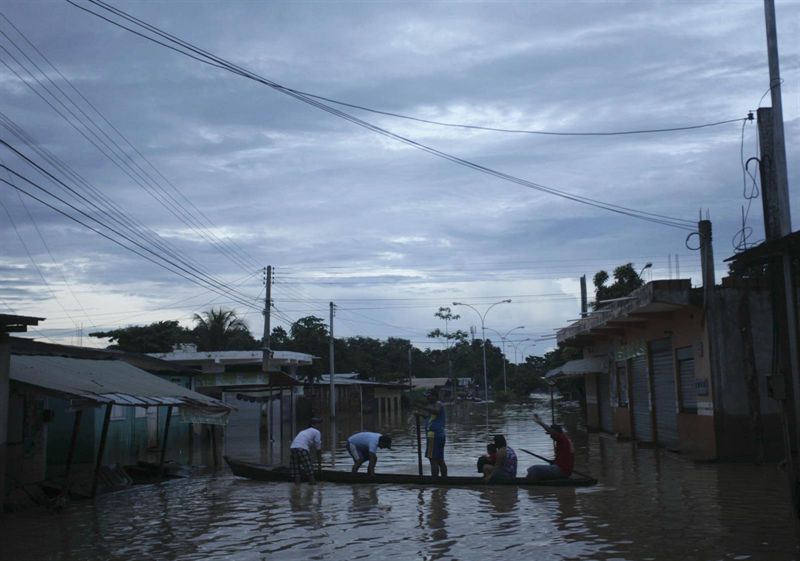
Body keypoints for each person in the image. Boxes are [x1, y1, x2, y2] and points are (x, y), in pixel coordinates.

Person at [527, 413, 574, 480]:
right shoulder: (565, 440)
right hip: (564, 470)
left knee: (534, 469)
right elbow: (563, 459)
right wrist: (554, 461)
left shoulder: (562, 439)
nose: (550, 436)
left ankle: (531, 485)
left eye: (551, 434)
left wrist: (540, 422)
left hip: (562, 471)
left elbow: (553, 432)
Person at [416, 389, 448, 477]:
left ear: (435, 396)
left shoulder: (438, 404)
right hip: (438, 435)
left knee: (433, 459)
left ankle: (434, 481)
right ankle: (444, 480)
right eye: (427, 396)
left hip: (434, 435)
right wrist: (420, 415)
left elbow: (436, 411)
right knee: (439, 459)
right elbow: (430, 417)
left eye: (429, 396)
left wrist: (422, 407)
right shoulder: (433, 406)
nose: (427, 398)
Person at [289, 416, 323, 484]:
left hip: (293, 448)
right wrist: (319, 464)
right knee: (310, 472)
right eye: (317, 424)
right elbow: (318, 448)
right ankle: (313, 488)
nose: (319, 425)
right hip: (302, 448)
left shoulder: (303, 431)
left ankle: (297, 489)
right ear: (313, 425)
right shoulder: (316, 432)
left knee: (297, 472)